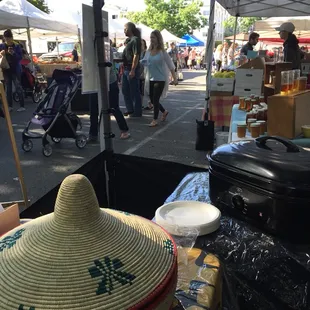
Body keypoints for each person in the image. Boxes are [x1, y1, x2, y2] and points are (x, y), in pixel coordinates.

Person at [88, 45, 130, 142]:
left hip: (110, 81)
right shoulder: (89, 47)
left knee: (114, 107)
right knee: (93, 109)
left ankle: (124, 130)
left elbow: (108, 66)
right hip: (95, 82)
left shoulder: (106, 46)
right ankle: (93, 134)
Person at [142, 30, 178, 127]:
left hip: (160, 79)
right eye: (151, 37)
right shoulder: (148, 52)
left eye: (153, 37)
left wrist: (175, 78)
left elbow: (171, 66)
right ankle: (164, 111)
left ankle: (154, 120)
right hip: (150, 78)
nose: (151, 39)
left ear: (158, 39)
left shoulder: (162, 52)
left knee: (155, 99)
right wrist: (142, 70)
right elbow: (145, 62)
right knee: (152, 100)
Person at [0, 29, 25, 112]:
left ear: (12, 37)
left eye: (9, 38)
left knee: (18, 87)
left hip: (15, 69)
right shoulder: (2, 46)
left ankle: (22, 105)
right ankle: (10, 106)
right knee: (8, 88)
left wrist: (13, 53)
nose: (8, 40)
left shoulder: (17, 45)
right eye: (6, 38)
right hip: (6, 69)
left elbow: (20, 58)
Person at [122, 22, 142, 117]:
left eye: (125, 29)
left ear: (130, 29)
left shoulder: (135, 40)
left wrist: (133, 69)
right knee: (125, 90)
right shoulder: (129, 41)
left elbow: (136, 55)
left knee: (134, 90)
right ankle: (130, 109)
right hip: (126, 67)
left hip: (131, 68)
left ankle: (137, 111)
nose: (124, 31)